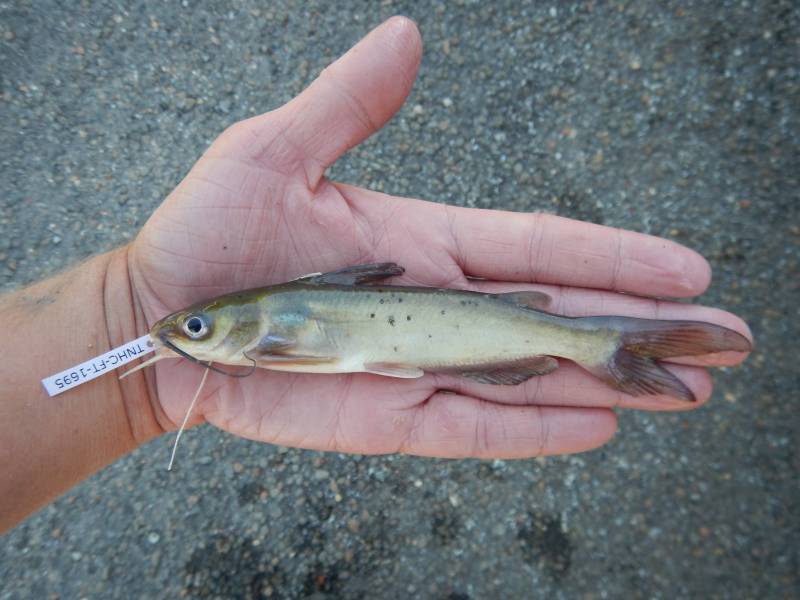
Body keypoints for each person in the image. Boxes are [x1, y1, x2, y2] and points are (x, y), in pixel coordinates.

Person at [0, 17, 750, 532]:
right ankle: (606, 347)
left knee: (581, 342)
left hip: (457, 330)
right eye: (195, 328)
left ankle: (604, 346)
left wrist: (125, 316)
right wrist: (126, 315)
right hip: (438, 332)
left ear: (240, 325)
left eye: (199, 326)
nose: (192, 333)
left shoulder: (265, 333)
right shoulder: (258, 331)